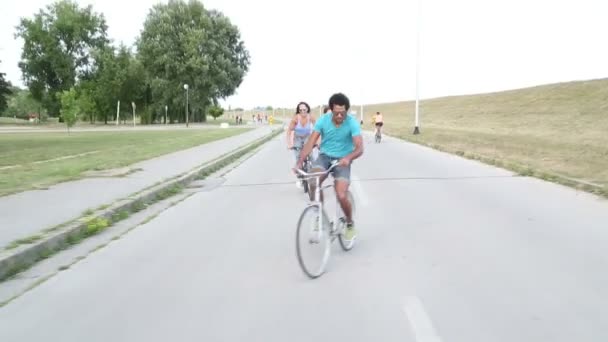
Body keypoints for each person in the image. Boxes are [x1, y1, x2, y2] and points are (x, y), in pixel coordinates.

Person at [294, 93, 363, 241]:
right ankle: (319, 214)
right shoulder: (323, 121)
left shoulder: (352, 123)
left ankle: (350, 223)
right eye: (336, 112)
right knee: (313, 180)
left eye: (343, 112)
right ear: (331, 109)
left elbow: (359, 148)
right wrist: (299, 162)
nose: (339, 115)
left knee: (341, 194)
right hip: (325, 157)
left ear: (347, 111)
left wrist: (348, 157)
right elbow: (310, 143)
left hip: (343, 160)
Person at [286, 101, 318, 186]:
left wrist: (318, 143)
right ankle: (300, 177)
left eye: (304, 110)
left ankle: (314, 176)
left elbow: (318, 130)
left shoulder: (311, 117)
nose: (303, 112)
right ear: (298, 111)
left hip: (308, 137)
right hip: (298, 138)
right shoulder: (296, 118)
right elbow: (289, 131)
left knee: (311, 156)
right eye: (301, 110)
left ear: (307, 109)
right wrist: (289, 144)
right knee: (298, 158)